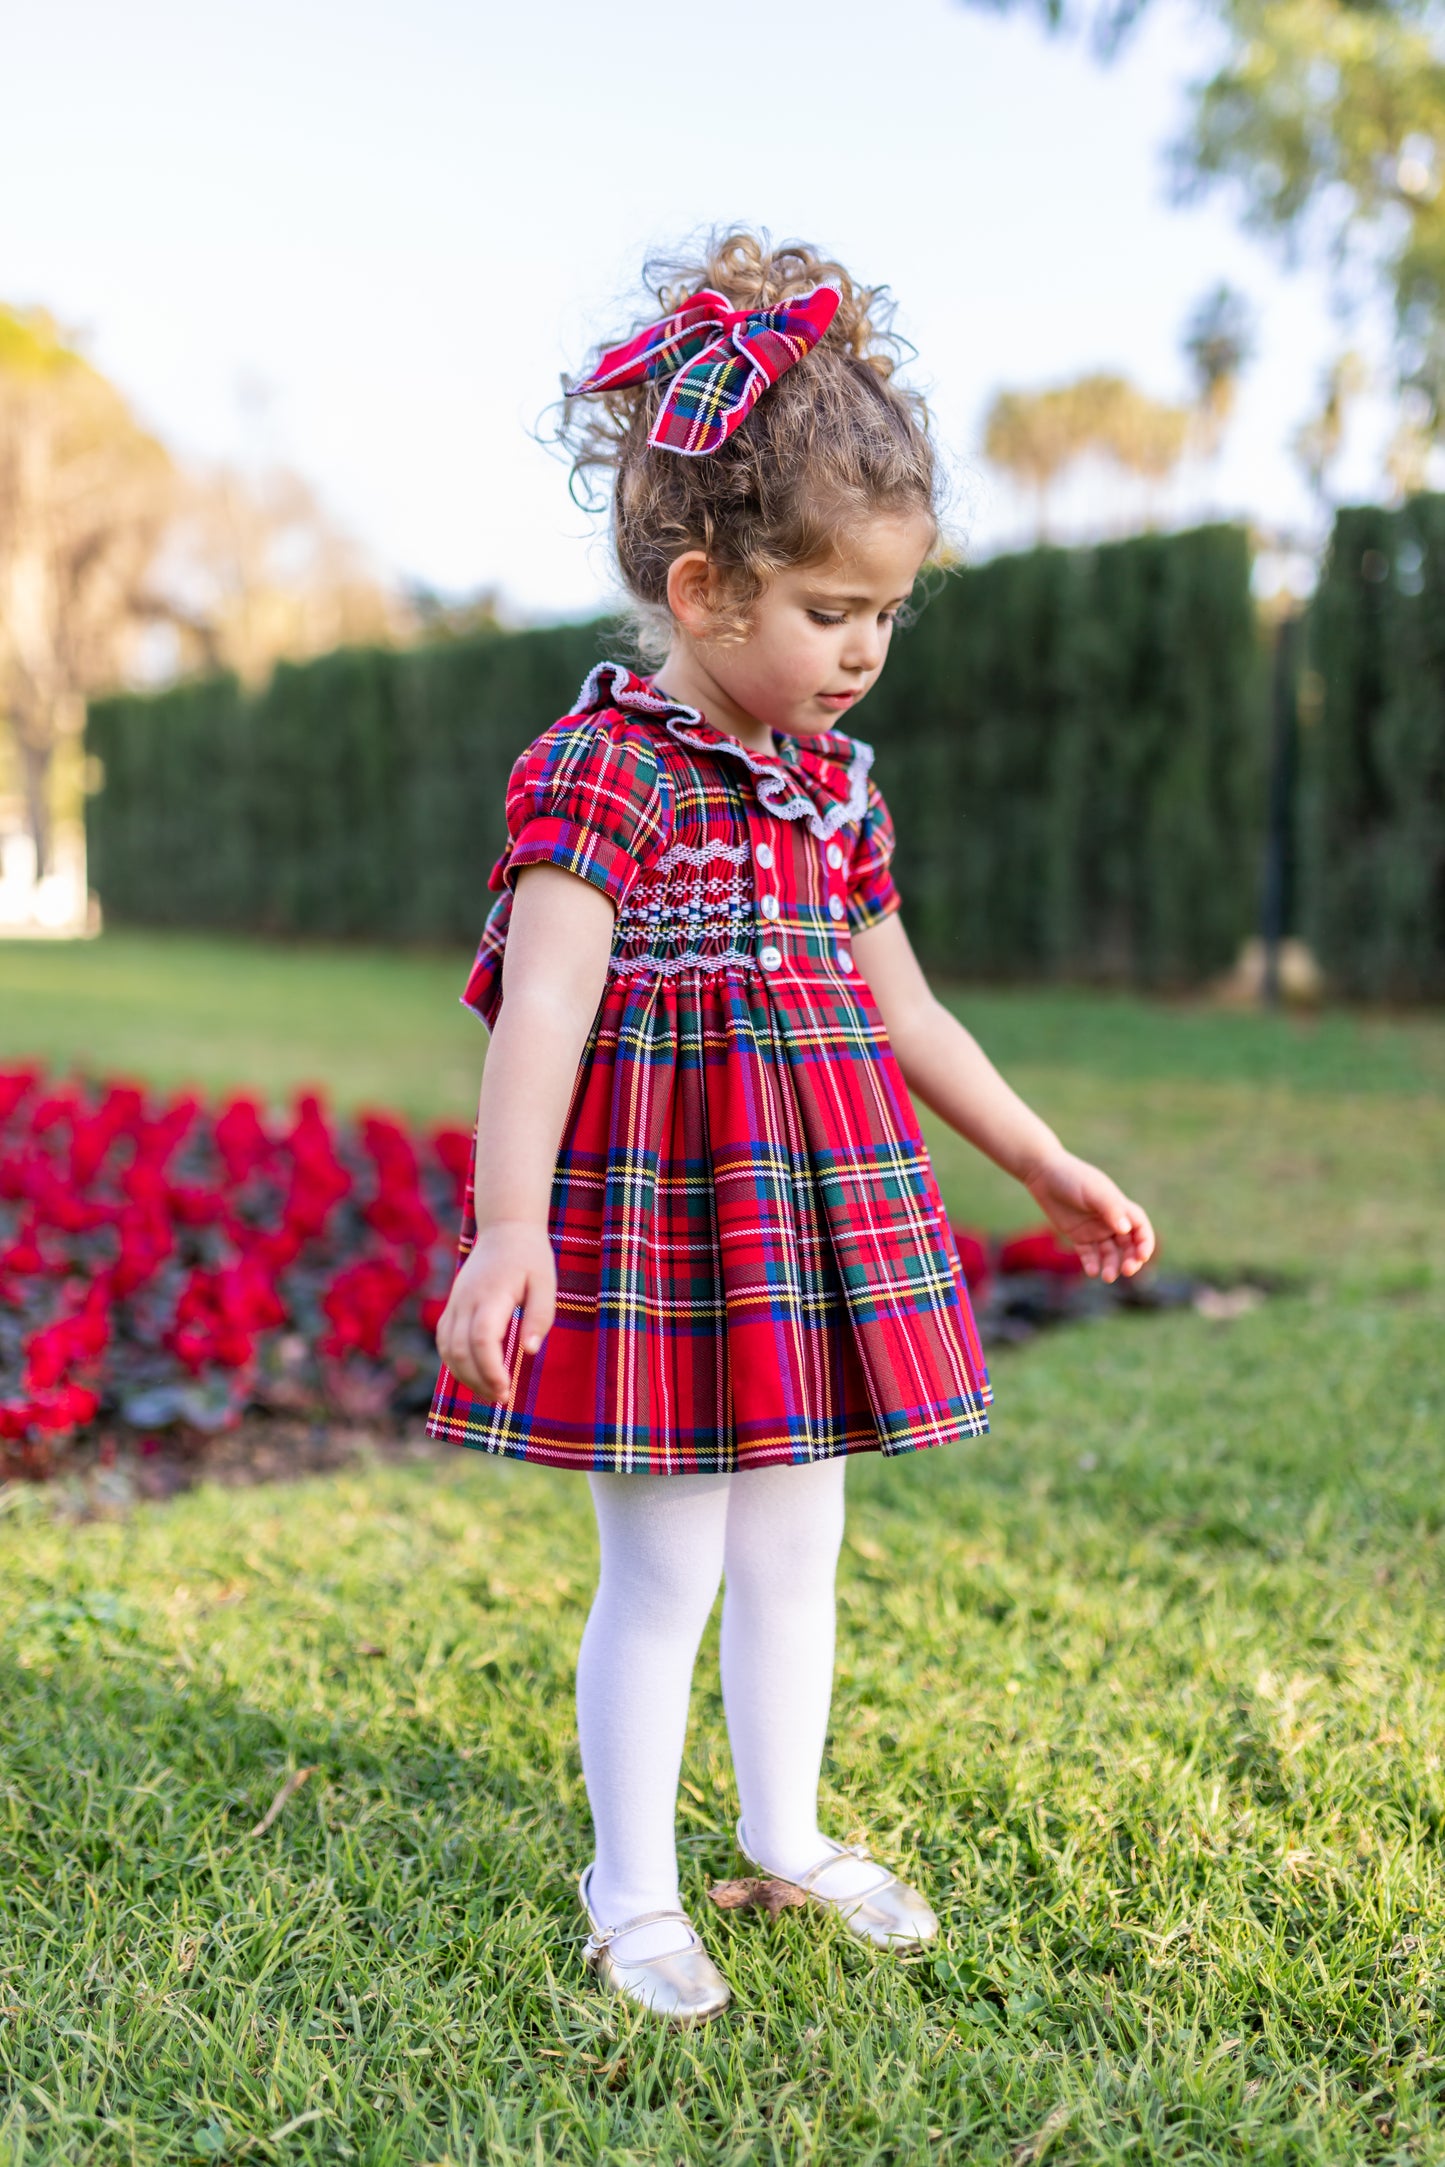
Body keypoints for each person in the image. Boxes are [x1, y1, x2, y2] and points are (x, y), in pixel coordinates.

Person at [428, 231, 1155, 2024]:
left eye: (886, 616)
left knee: (797, 1545)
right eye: (831, 614)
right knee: (665, 1560)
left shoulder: (836, 788)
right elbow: (543, 1001)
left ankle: (786, 1828)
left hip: (813, 1217)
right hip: (670, 1222)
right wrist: (509, 1226)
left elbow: (903, 1008)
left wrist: (1039, 1158)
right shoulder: (601, 771)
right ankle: (630, 1881)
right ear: (701, 589)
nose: (863, 655)